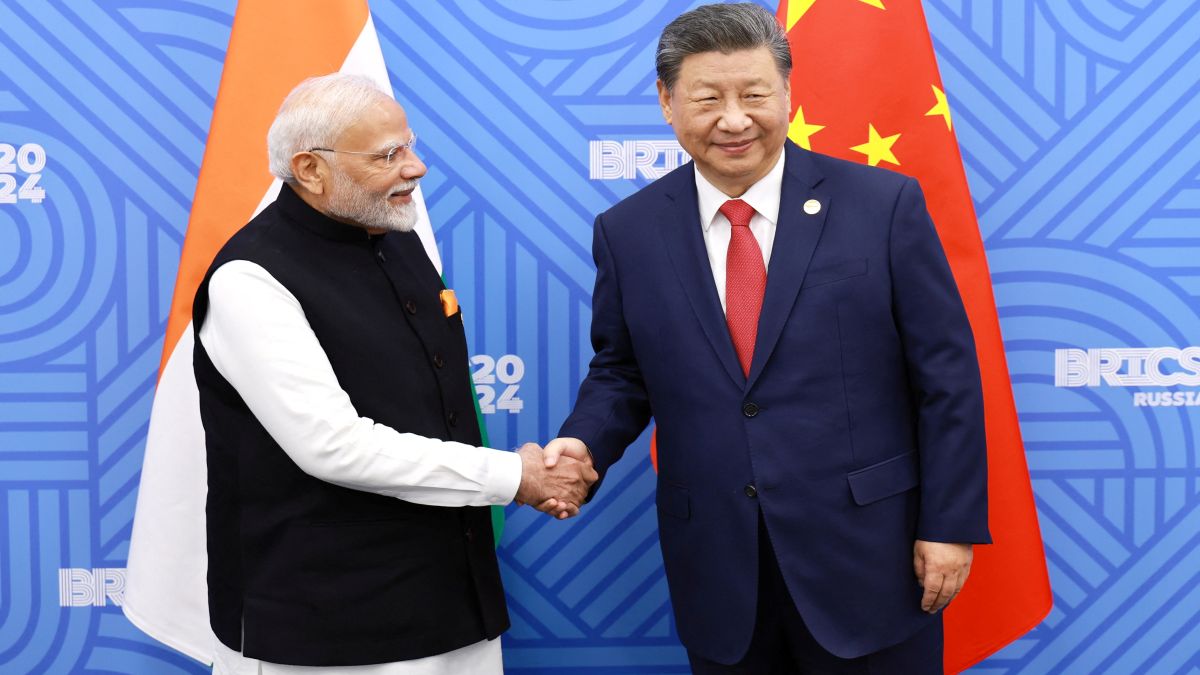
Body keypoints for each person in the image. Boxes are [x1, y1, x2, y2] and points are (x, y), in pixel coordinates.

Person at [542, 4, 990, 673]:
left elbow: (946, 377)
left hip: (871, 556)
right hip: (721, 567)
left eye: (754, 94)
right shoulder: (628, 230)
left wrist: (949, 525)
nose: (733, 119)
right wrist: (583, 441)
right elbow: (623, 369)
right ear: (666, 102)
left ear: (786, 93)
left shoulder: (882, 204)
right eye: (706, 98)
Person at [193, 73, 595, 675]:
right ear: (309, 168)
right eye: (389, 155)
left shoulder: (395, 234)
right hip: (329, 626)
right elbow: (334, 447)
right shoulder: (249, 279)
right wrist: (517, 474)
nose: (417, 168)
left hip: (455, 601)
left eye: (409, 146)